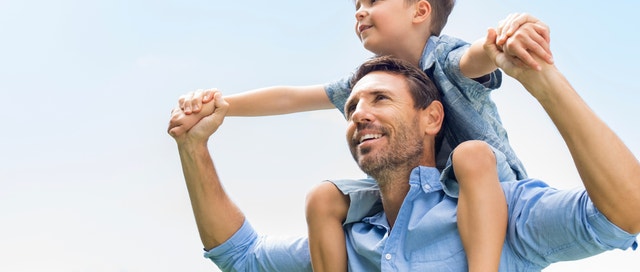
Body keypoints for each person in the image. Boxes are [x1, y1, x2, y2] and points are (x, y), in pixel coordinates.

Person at [172, 0, 552, 271]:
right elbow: (291, 98)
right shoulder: (368, 83)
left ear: (421, 11)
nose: (360, 12)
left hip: (481, 183)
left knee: (470, 154)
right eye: (357, 5)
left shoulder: (447, 57)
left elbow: (476, 59)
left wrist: (500, 41)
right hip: (414, 192)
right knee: (324, 198)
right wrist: (221, 105)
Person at [168, 37, 639, 271]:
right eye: (351, 107)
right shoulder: (346, 242)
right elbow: (242, 257)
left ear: (433, 118)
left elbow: (624, 213)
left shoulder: (497, 215)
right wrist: (194, 147)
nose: (359, 115)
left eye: (380, 100)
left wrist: (543, 80)